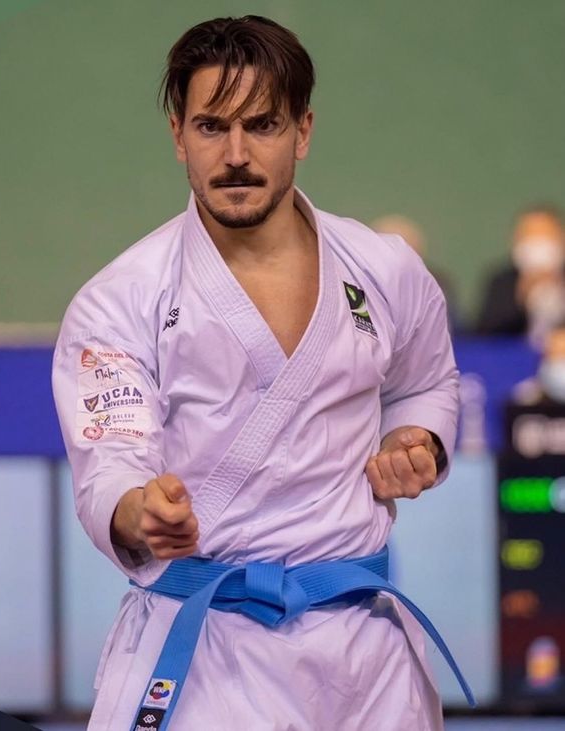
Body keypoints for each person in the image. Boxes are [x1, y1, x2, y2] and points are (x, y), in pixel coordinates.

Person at [52, 16, 471, 730]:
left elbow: (426, 384)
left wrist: (417, 441)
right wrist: (141, 511)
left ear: (302, 131)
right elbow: (109, 465)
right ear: (178, 134)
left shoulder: (386, 268)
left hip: (363, 655)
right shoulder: (120, 299)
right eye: (212, 127)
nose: (237, 155)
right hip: (203, 648)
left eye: (263, 125)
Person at [475, 205, 565, 338]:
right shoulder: (501, 282)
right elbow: (484, 334)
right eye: (530, 237)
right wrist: (521, 298)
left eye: (545, 236)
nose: (538, 246)